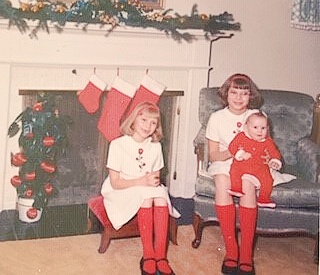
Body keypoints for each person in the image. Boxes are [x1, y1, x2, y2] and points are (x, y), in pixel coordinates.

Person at [101, 101, 179, 275]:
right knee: (146, 197)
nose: (148, 126)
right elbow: (115, 182)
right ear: (133, 121)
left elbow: (155, 177)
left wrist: (151, 181)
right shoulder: (118, 144)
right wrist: (142, 181)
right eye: (143, 120)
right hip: (122, 188)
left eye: (153, 123)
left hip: (145, 186)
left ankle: (160, 255)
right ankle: (148, 254)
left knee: (159, 196)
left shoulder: (155, 146)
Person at [206, 74, 263, 275]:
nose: (239, 98)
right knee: (223, 183)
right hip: (224, 162)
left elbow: (265, 146)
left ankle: (246, 254)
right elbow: (213, 155)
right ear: (226, 94)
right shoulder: (217, 118)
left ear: (250, 96)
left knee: (246, 184)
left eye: (244, 93)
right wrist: (231, 152)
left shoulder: (256, 114)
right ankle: (231, 250)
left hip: (251, 163)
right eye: (234, 92)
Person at [228, 110, 282, 208]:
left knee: (268, 180)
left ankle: (264, 198)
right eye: (255, 127)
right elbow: (232, 147)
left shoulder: (267, 142)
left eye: (263, 128)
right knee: (234, 171)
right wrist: (241, 154)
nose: (259, 131)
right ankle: (236, 188)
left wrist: (274, 161)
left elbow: (274, 152)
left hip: (260, 167)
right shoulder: (241, 137)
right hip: (242, 165)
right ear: (246, 127)